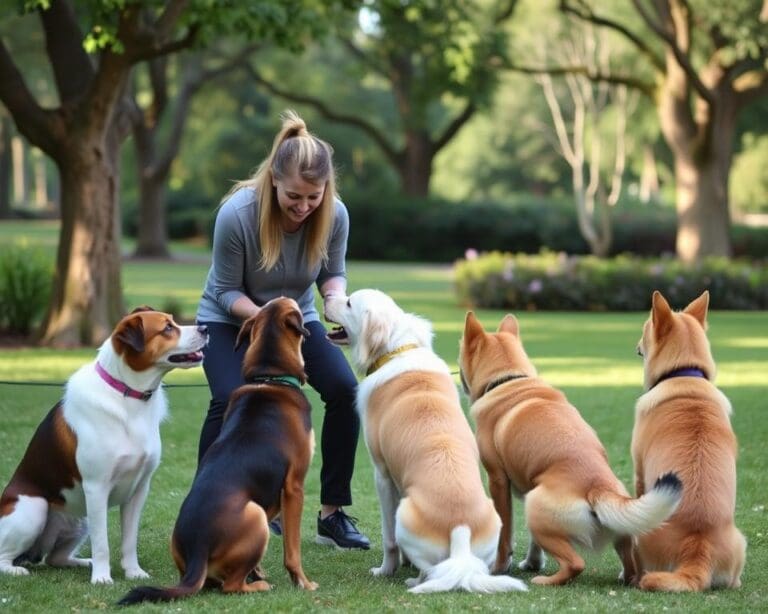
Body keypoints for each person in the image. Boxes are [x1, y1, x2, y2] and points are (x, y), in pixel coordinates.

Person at [195, 110, 370, 550]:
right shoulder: (237, 215)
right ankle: (208, 506)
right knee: (229, 397)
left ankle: (332, 513)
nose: (304, 206)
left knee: (345, 390)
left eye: (314, 196)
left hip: (297, 318)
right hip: (228, 316)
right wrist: (263, 319)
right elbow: (223, 289)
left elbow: (333, 273)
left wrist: (334, 301)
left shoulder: (335, 215)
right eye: (295, 195)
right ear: (274, 178)